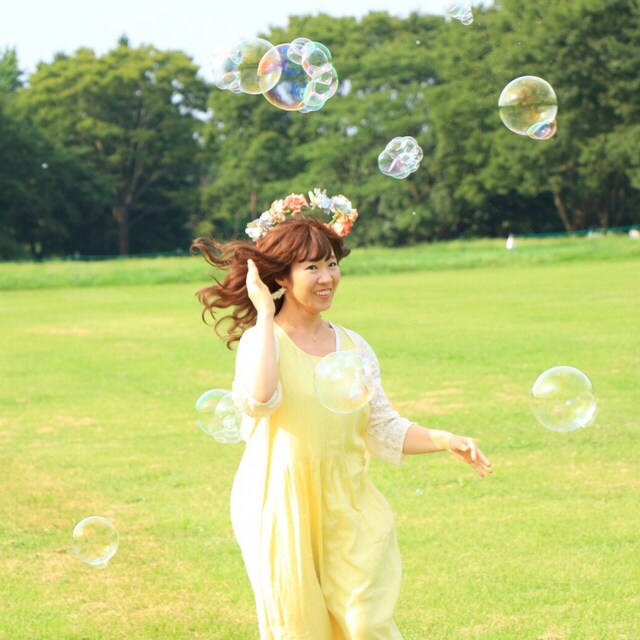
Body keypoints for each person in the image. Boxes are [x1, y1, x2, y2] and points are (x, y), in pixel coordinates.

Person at [192, 190, 492, 640]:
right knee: (301, 629)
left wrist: (446, 439)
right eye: (311, 267)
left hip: (347, 499)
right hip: (279, 503)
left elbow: (382, 426)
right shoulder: (263, 340)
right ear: (282, 276)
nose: (327, 277)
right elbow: (259, 399)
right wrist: (264, 312)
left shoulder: (353, 345)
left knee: (365, 622)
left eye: (331, 263)